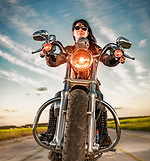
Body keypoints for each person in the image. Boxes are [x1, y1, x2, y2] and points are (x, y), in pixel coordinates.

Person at [39, 19, 125, 147]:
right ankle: (51, 133)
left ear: (87, 32)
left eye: (84, 28)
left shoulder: (95, 49)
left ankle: (103, 135)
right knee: (58, 96)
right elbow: (55, 61)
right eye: (77, 27)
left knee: (99, 99)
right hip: (71, 86)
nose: (80, 29)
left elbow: (107, 59)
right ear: (73, 32)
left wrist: (116, 57)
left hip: (91, 87)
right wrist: (49, 53)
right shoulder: (67, 49)